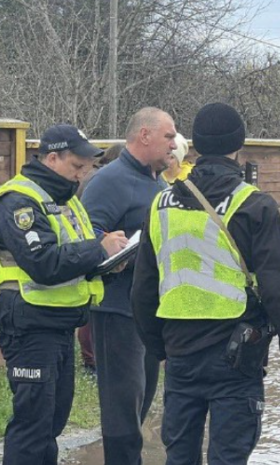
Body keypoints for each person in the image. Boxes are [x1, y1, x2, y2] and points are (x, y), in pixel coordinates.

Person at [132, 102, 280, 465]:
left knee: (179, 457)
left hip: (180, 352)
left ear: (194, 144)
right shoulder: (255, 204)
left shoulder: (161, 203)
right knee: (229, 457)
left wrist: (161, 350)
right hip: (236, 355)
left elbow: (142, 291)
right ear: (238, 144)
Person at [0, 124, 128, 465]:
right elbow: (42, 263)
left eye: (85, 168)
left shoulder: (64, 201)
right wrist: (97, 249)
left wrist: (109, 258)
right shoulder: (18, 201)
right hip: (29, 326)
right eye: (76, 167)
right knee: (33, 426)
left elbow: (75, 255)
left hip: (59, 324)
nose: (82, 175)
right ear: (52, 157)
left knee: (51, 423)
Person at [81, 108, 176, 465]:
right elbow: (83, 234)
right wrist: (111, 244)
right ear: (144, 136)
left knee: (142, 403)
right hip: (116, 310)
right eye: (168, 136)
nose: (174, 144)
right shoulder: (110, 179)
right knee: (122, 409)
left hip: (150, 312)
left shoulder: (158, 182)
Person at [75, 143, 124, 376]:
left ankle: (90, 359)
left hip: (87, 249)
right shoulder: (102, 181)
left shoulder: (92, 177)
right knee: (92, 310)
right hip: (97, 248)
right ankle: (91, 360)